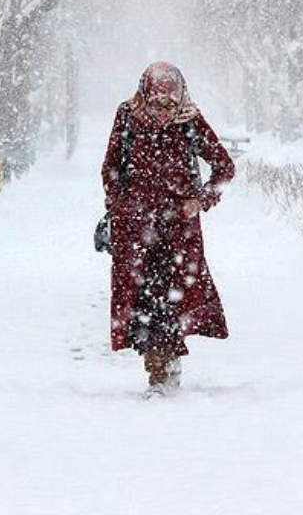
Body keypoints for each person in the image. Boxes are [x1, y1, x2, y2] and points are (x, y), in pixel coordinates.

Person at [101, 61, 235, 397]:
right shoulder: (127, 116)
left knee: (171, 300)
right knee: (143, 302)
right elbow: (111, 168)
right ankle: (157, 369)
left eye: (170, 105)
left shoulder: (190, 120)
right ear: (145, 95)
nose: (163, 112)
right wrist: (120, 207)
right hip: (136, 230)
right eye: (157, 104)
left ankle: (165, 369)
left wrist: (200, 200)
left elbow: (224, 168)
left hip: (179, 232)